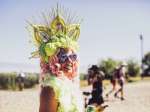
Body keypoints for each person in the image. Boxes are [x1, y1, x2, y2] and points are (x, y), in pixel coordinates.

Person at [29, 5, 83, 112]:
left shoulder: (70, 84)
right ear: (52, 60)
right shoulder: (50, 89)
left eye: (73, 56)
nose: (69, 61)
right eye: (63, 57)